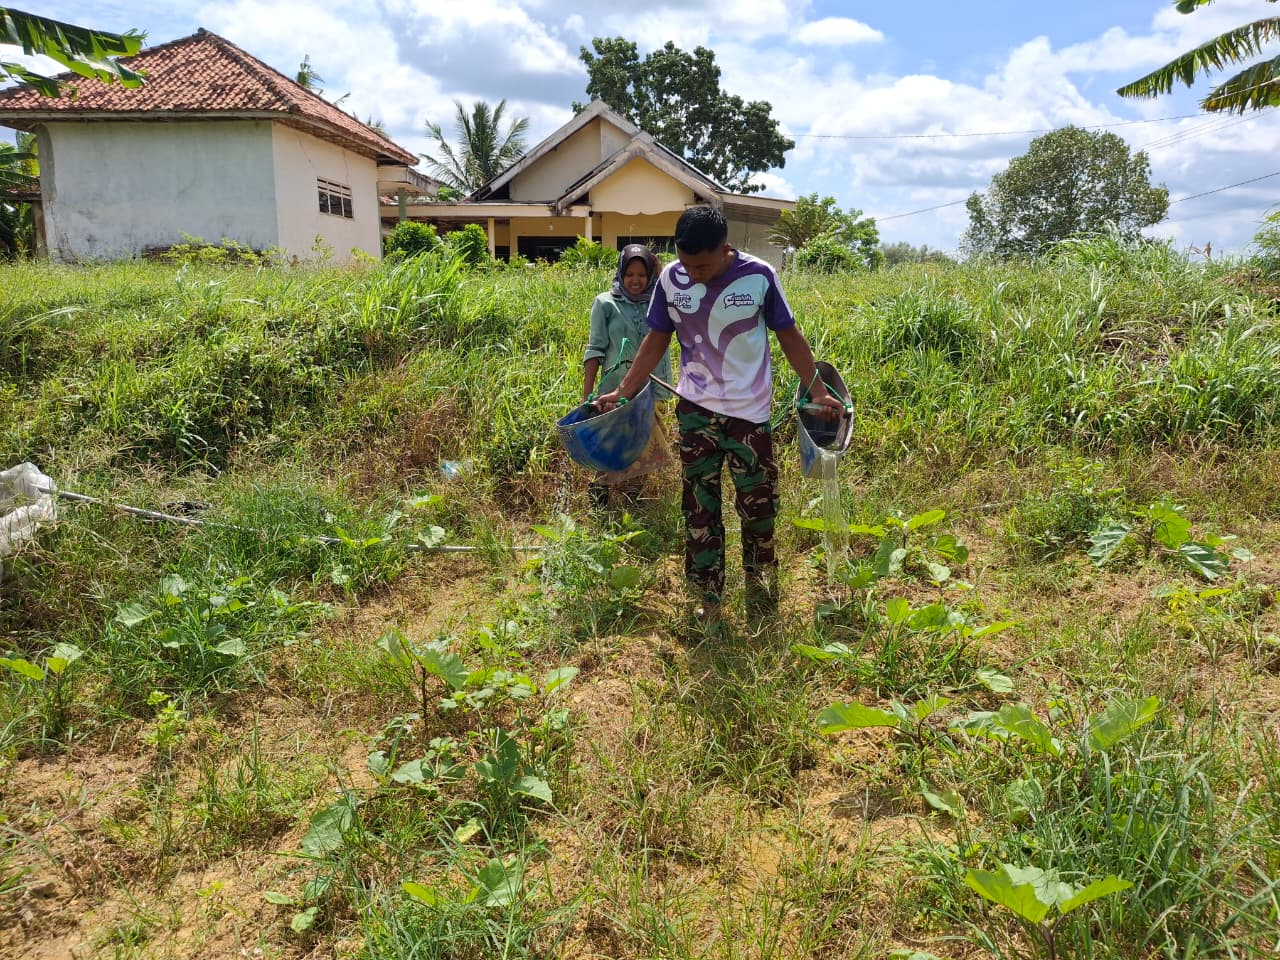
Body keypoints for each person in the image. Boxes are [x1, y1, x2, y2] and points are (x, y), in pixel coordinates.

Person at [595, 206, 842, 631]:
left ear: (725, 249)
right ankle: (707, 599)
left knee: (758, 507)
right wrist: (625, 390)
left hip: (750, 416)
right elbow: (656, 339)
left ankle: (762, 596)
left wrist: (817, 388)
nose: (693, 271)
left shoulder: (759, 276)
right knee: (699, 509)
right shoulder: (672, 279)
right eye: (686, 262)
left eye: (702, 265)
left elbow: (788, 335)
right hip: (696, 412)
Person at [582, 244, 673, 506]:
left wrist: (660, 270)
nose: (635, 281)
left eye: (642, 275)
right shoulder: (605, 303)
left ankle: (633, 502)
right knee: (611, 447)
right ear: (621, 273)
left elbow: (678, 286)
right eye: (630, 274)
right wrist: (588, 394)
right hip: (614, 390)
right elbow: (595, 349)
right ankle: (599, 502)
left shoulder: (658, 304)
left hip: (648, 389)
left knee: (641, 447)